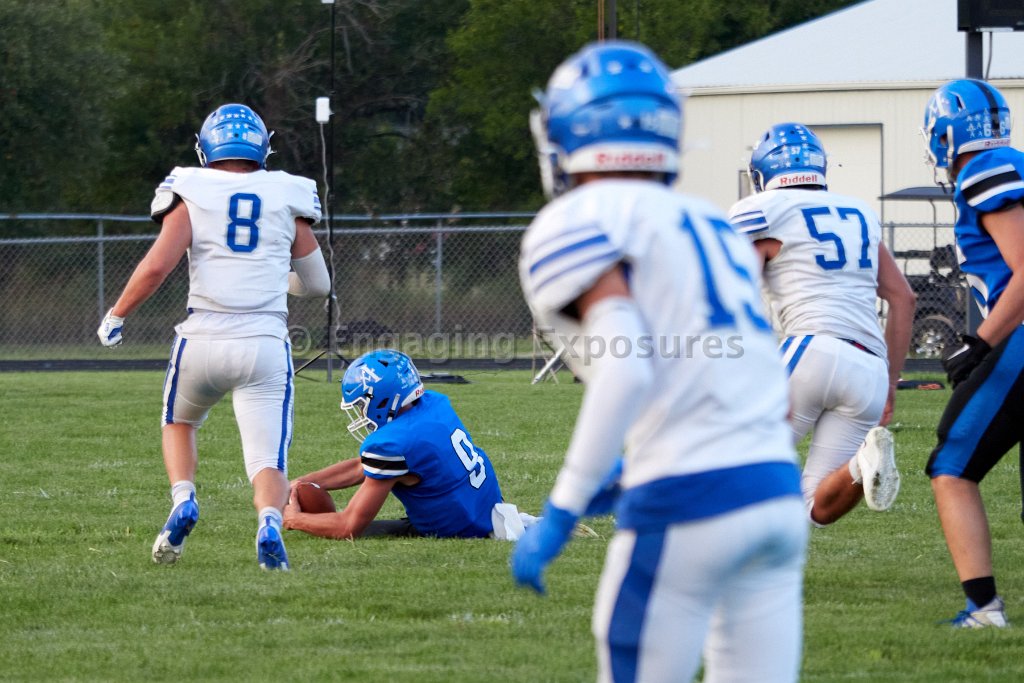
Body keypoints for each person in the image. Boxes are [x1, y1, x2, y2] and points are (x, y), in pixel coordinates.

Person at [511, 41, 808, 683]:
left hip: (688, 499)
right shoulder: (714, 224)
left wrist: (563, 508)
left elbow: (626, 368)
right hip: (776, 494)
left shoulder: (575, 219)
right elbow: (766, 383)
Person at [97, 103, 330, 571]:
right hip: (264, 341)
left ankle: (184, 498)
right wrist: (275, 278)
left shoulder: (191, 188)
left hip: (202, 336)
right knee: (267, 459)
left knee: (179, 423)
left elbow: (157, 266)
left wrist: (116, 314)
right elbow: (318, 285)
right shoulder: (287, 192)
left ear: (206, 148)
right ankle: (268, 521)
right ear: (263, 147)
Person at [727, 123, 916, 526]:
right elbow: (903, 297)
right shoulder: (860, 212)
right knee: (814, 508)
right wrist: (890, 382)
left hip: (811, 348)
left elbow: (736, 291)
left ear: (762, 172)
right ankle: (862, 466)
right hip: (870, 369)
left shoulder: (760, 209)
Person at [920, 78, 1024, 628]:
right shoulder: (1014, 163)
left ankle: (983, 609)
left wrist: (980, 340)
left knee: (953, 465)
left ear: (945, 135)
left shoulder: (986, 170)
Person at [283, 349, 513, 540]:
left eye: (361, 404)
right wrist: (300, 483)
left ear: (382, 400)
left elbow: (348, 526)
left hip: (460, 528)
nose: (361, 413)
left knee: (356, 529)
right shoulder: (433, 403)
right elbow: (362, 466)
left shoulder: (393, 444)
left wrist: (294, 519)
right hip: (486, 509)